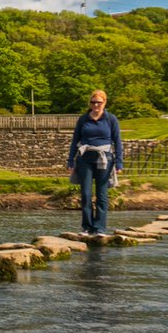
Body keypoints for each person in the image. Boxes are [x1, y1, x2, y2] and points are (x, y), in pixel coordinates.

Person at [66, 89, 123, 236]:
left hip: (104, 158)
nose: (96, 105)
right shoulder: (83, 119)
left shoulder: (111, 119)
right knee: (85, 194)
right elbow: (75, 141)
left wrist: (119, 163)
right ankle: (87, 227)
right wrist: (70, 161)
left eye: (99, 102)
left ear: (104, 102)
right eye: (93, 102)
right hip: (85, 158)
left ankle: (99, 228)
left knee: (102, 194)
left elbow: (117, 141)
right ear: (90, 103)